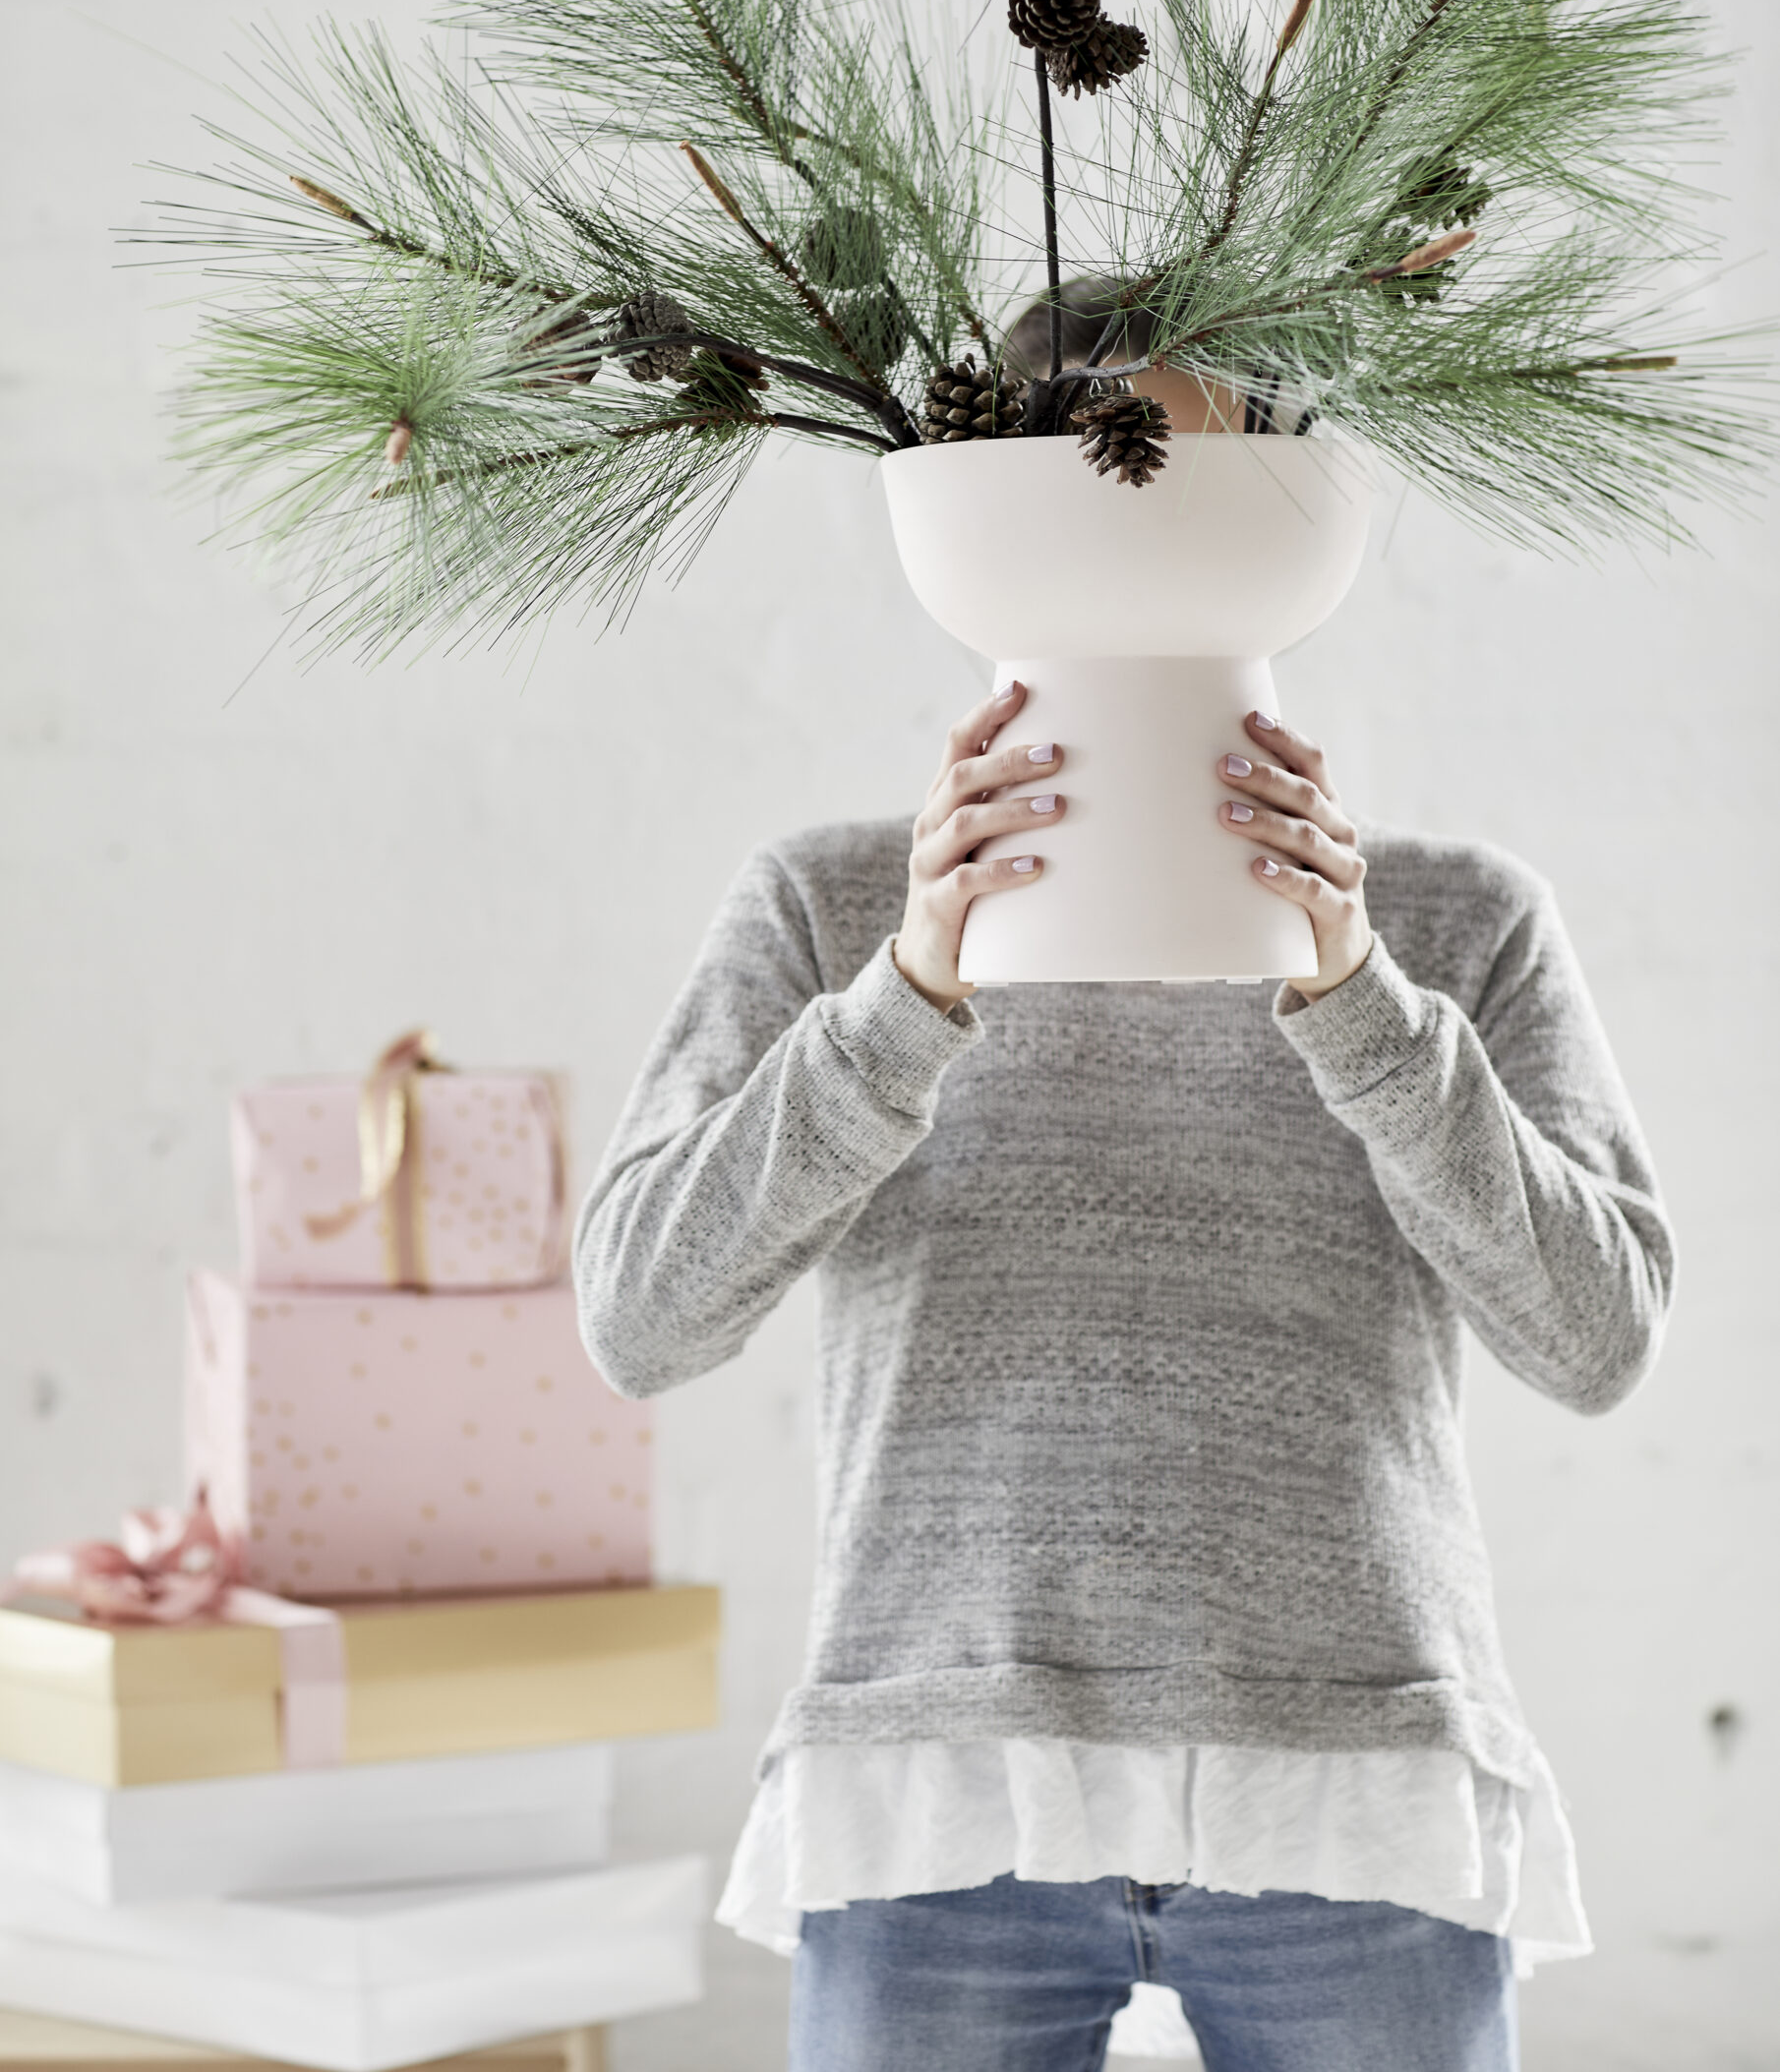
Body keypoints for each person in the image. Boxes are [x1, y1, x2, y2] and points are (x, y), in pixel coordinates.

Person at [574, 332, 1672, 2072]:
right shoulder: (830, 900)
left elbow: (1598, 1337)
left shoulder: (1458, 919)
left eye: (1187, 483)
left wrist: (1363, 1003)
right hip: (939, 1776)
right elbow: (639, 1312)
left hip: (1351, 1778)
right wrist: (903, 996)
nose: (1138, 533)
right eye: (1091, 479)